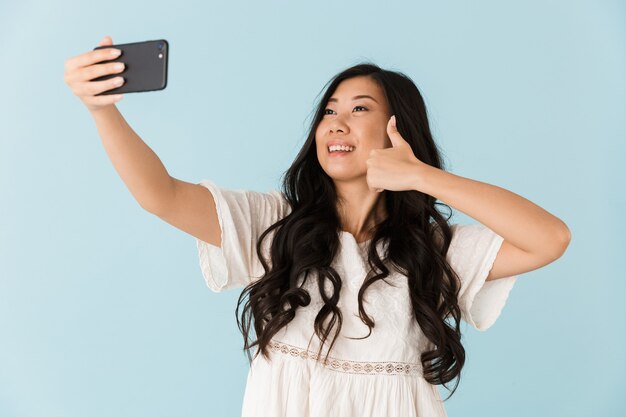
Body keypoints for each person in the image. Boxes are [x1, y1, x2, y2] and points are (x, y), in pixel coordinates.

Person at [64, 36, 572, 417]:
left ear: (400, 130)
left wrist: (422, 176)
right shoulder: (274, 225)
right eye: (329, 111)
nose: (335, 123)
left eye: (359, 110)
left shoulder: (431, 251)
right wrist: (101, 111)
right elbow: (161, 195)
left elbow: (550, 238)